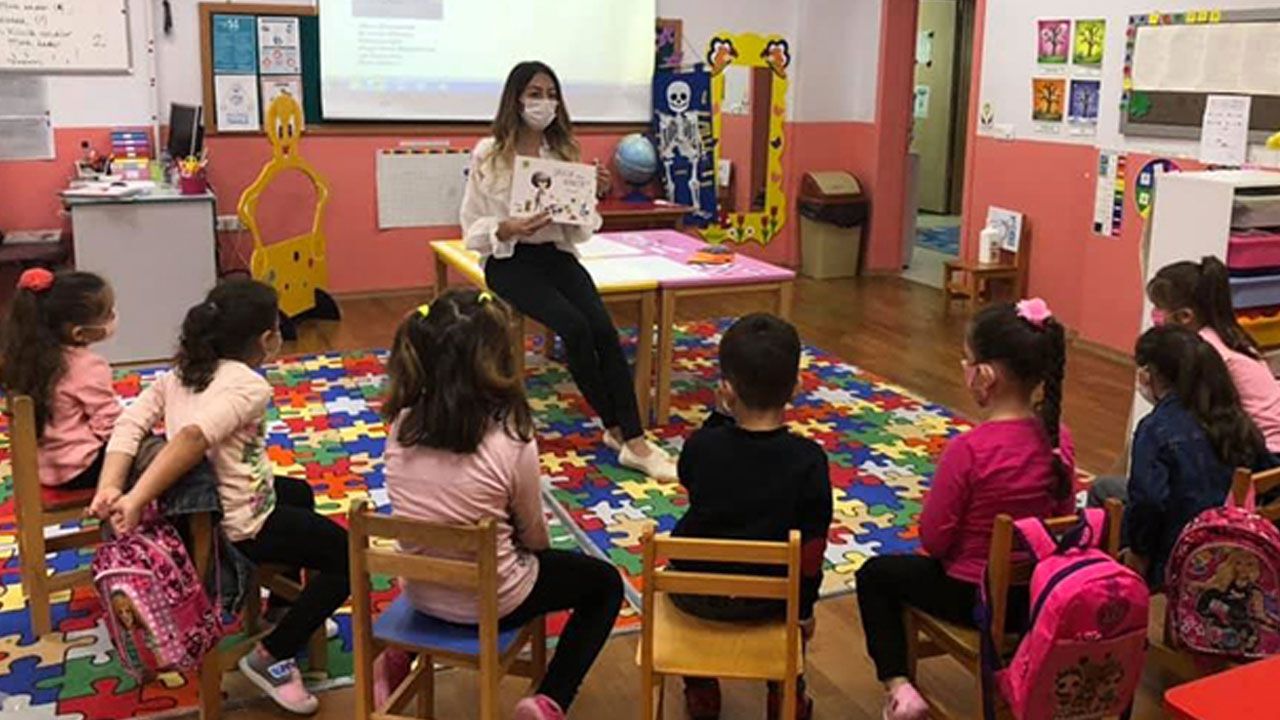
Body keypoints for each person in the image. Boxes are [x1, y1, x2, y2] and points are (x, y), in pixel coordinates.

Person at [92, 280, 348, 716]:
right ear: (267, 339)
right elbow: (194, 437)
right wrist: (132, 498)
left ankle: (282, 608)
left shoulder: (178, 375)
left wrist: (110, 486)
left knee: (299, 492)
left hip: (195, 515)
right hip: (240, 527)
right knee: (348, 556)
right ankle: (272, 655)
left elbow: (130, 425)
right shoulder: (249, 385)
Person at [379, 289, 623, 720]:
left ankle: (400, 653)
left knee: (450, 553)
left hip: (419, 591)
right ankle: (549, 700)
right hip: (495, 603)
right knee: (604, 584)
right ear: (497, 360)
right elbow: (534, 536)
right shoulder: (511, 437)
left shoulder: (400, 425)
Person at [855, 299, 1075, 720]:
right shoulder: (1057, 438)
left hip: (976, 598)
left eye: (967, 360)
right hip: (1037, 596)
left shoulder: (969, 449)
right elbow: (1060, 520)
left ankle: (899, 687)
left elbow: (934, 540)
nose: (964, 367)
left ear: (985, 376)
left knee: (875, 575)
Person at [460, 60, 676, 481]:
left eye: (551, 94)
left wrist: (590, 195)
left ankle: (631, 436)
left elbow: (578, 231)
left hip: (556, 255)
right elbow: (471, 228)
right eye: (534, 94)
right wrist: (506, 227)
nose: (544, 102)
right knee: (574, 328)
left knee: (604, 331)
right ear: (515, 100)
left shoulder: (562, 154)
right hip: (509, 260)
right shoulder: (489, 154)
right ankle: (621, 432)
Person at [671, 313, 831, 720]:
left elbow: (689, 478)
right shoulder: (809, 460)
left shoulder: (701, 447)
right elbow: (812, 551)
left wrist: (720, 415)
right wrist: (805, 610)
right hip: (772, 601)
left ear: (726, 390)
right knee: (794, 599)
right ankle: (785, 694)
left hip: (697, 594)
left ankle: (701, 688)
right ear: (796, 388)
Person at [1103, 326, 1272, 588]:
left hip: (1177, 556)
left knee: (1104, 493)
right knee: (1107, 487)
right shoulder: (1236, 419)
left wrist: (1138, 554)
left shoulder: (1155, 429)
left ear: (1154, 374)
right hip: (1235, 546)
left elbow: (1148, 502)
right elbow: (1268, 476)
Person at [0, 269, 120, 489]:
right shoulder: (87, 365)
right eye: (108, 315)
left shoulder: (27, 357)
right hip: (81, 469)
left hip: (41, 468)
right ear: (79, 333)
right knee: (152, 452)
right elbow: (109, 425)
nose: (114, 317)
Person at [1147, 257, 1280, 453]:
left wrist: (1153, 391)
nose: (1155, 315)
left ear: (1185, 316)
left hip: (1266, 452)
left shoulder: (1205, 351)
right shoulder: (1230, 337)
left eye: (1159, 309)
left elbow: (1190, 412)